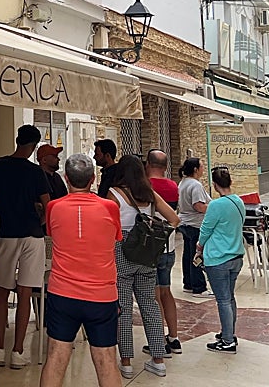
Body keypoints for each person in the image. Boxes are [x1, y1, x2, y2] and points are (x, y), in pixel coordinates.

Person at [39, 154, 122, 387]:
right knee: (106, 360)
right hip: (102, 295)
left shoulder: (54, 207)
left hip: (62, 293)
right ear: (93, 179)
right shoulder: (109, 207)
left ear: (66, 178)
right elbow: (115, 237)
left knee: (56, 356)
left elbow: (53, 234)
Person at [0, 124, 51, 369]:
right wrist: (37, 220)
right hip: (33, 236)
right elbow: (48, 204)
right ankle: (18, 352)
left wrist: (8, 213)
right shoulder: (36, 172)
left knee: (2, 290)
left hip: (7, 234)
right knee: (25, 292)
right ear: (33, 146)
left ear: (16, 140)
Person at [109, 154, 179, 378]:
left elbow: (107, 224)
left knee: (124, 309)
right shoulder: (150, 194)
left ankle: (126, 362)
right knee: (150, 307)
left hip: (122, 252)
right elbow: (174, 219)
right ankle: (158, 360)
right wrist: (155, 229)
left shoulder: (115, 193)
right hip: (147, 255)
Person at [197, 166, 244, 353]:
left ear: (215, 185)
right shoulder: (238, 201)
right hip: (236, 256)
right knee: (230, 297)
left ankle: (227, 340)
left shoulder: (215, 205)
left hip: (218, 258)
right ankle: (228, 332)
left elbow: (206, 229)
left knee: (223, 300)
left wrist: (199, 247)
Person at [143, 150, 182, 356]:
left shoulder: (146, 186)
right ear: (166, 167)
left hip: (152, 247)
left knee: (154, 295)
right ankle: (174, 337)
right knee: (167, 292)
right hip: (170, 246)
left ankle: (158, 341)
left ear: (148, 164)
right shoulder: (173, 186)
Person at [177, 157, 211, 297]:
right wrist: (214, 208)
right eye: (202, 166)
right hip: (195, 224)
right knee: (197, 255)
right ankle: (199, 287)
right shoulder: (195, 185)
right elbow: (198, 206)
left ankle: (188, 283)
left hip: (185, 222)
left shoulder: (183, 183)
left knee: (188, 254)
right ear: (196, 169)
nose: (203, 169)